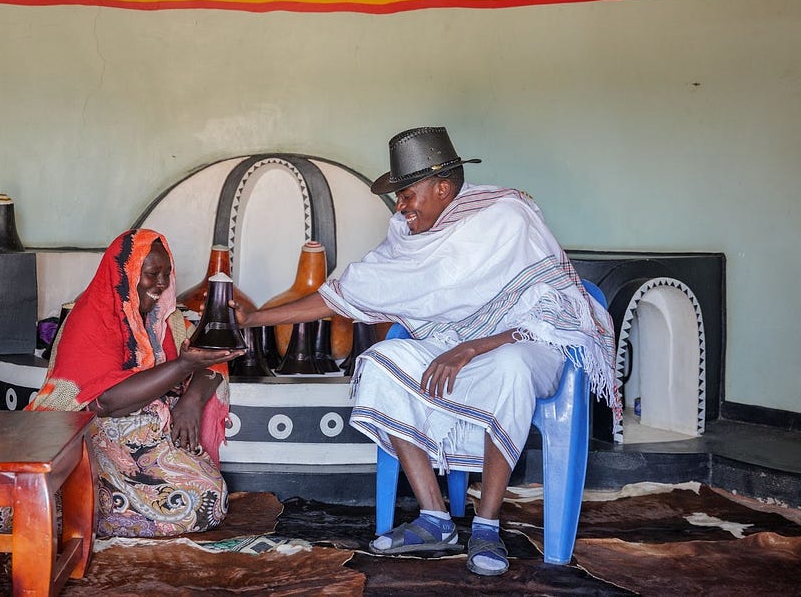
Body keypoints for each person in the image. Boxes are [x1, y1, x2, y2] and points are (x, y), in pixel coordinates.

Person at [233, 127, 617, 576]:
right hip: (451, 343)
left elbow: (554, 309)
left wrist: (473, 347)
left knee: (509, 369)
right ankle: (435, 517)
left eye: (408, 194)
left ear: (442, 188)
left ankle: (487, 526)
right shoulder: (407, 236)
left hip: (525, 343)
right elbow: (345, 295)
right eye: (399, 196)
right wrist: (252, 319)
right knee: (379, 363)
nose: (401, 207)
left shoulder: (506, 215)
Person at [26, 228, 244, 538]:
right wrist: (183, 366)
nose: (161, 283)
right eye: (152, 273)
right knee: (200, 503)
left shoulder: (165, 318)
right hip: (88, 442)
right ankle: (71, 512)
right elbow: (107, 401)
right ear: (124, 274)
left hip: (148, 441)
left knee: (212, 493)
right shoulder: (90, 320)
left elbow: (213, 356)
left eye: (166, 274)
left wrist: (191, 401)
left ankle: (81, 513)